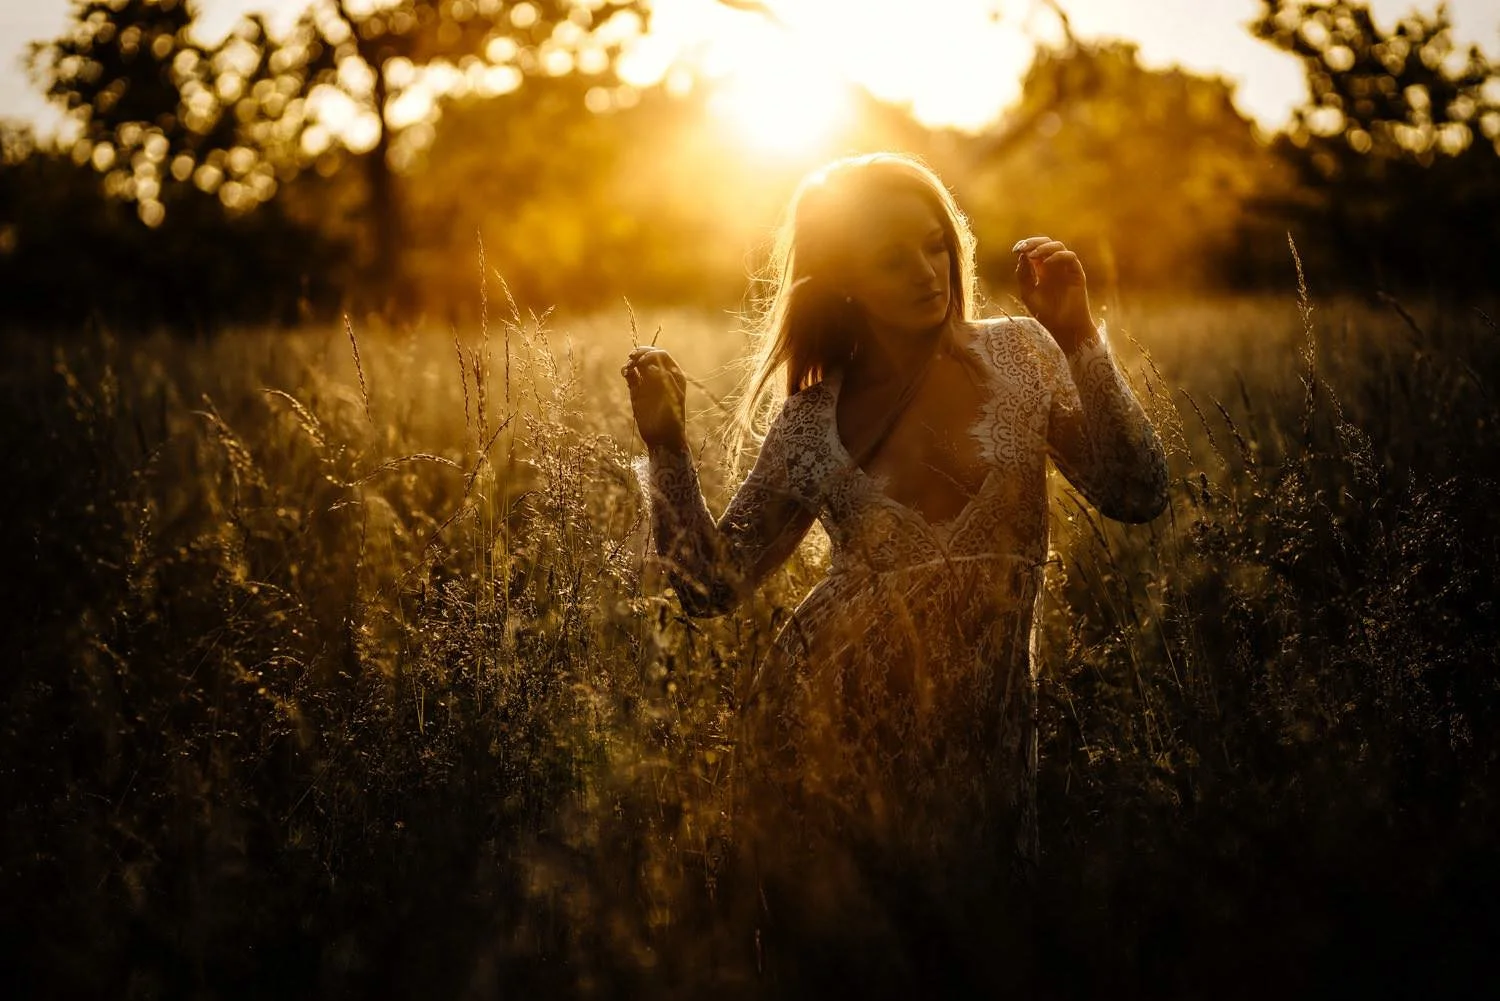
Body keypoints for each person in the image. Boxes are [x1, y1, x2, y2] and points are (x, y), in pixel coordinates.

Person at [622, 152, 1169, 992]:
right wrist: (667, 448)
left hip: (984, 738)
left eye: (933, 245)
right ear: (843, 279)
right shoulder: (810, 418)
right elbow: (711, 587)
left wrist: (1080, 334)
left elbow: (1138, 490)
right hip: (819, 740)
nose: (927, 272)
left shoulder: (1022, 355)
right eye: (890, 258)